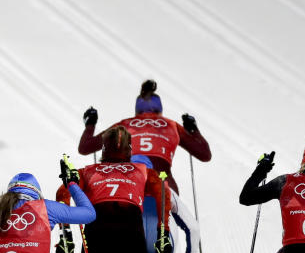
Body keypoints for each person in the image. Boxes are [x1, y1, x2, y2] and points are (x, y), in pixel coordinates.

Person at [77, 79, 212, 194]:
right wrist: (193, 129)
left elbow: (85, 147)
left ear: (137, 111)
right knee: (170, 217)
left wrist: (90, 124)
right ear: (160, 110)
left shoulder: (125, 124)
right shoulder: (171, 125)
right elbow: (205, 154)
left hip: (130, 184)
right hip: (165, 184)